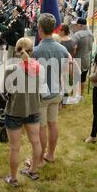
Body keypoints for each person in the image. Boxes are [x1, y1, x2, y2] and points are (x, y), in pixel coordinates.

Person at [4, 37, 45, 187]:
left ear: (16, 51)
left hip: (14, 111)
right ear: (32, 50)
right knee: (35, 142)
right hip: (34, 109)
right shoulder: (40, 67)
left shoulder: (11, 69)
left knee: (15, 147)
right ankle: (33, 170)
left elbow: (6, 90)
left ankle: (13, 178)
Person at [32, 13, 70, 167]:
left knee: (42, 127)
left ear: (40, 29)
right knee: (53, 124)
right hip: (57, 91)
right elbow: (65, 71)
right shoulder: (62, 49)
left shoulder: (35, 51)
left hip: (43, 95)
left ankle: (40, 159)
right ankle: (50, 155)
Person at [72, 18, 93, 98]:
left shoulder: (77, 35)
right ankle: (80, 95)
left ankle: (75, 95)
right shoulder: (90, 34)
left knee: (76, 78)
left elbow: (73, 47)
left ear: (80, 25)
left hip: (78, 59)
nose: (75, 26)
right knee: (83, 78)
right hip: (87, 58)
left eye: (76, 25)